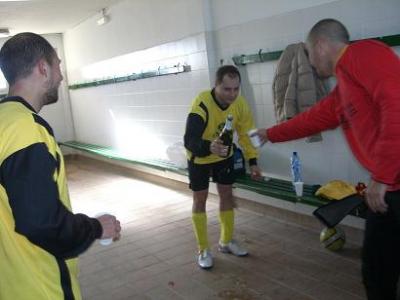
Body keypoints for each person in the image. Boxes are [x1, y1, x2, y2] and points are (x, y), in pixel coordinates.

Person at [254, 19, 400, 300]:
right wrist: (269, 134)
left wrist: (382, 176)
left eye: (308, 54)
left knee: (379, 268)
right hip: (388, 190)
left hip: (390, 182)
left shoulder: (365, 54)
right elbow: (312, 119)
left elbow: (396, 104)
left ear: (320, 46)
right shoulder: (343, 86)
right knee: (377, 271)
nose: (309, 62)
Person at [0, 32, 122, 300]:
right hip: (39, 285)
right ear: (43, 68)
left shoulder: (3, 120)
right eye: (58, 66)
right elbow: (41, 223)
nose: (61, 76)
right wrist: (95, 228)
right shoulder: (26, 130)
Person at [184, 65, 262, 269]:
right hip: (199, 158)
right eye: (227, 89)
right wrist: (208, 146)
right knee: (199, 199)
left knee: (227, 195)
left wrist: (253, 162)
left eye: (236, 89)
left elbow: (246, 134)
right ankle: (203, 248)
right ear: (216, 85)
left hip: (224, 156)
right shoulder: (201, 103)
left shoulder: (240, 105)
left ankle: (226, 242)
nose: (232, 94)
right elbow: (189, 140)